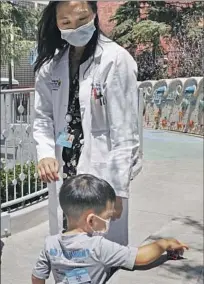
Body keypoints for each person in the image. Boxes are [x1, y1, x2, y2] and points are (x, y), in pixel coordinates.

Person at [33, 1, 142, 245]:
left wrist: (117, 192)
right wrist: (45, 153)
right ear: (57, 23)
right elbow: (43, 117)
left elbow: (125, 132)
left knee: (98, 251)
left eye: (81, 19)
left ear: (94, 14)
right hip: (65, 170)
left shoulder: (115, 60)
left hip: (100, 176)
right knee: (65, 244)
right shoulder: (51, 66)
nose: (75, 27)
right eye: (66, 22)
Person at [32, 174, 189, 284]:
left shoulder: (50, 244)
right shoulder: (98, 246)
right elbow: (140, 257)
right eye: (107, 217)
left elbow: (37, 276)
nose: (111, 220)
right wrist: (165, 243)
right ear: (91, 220)